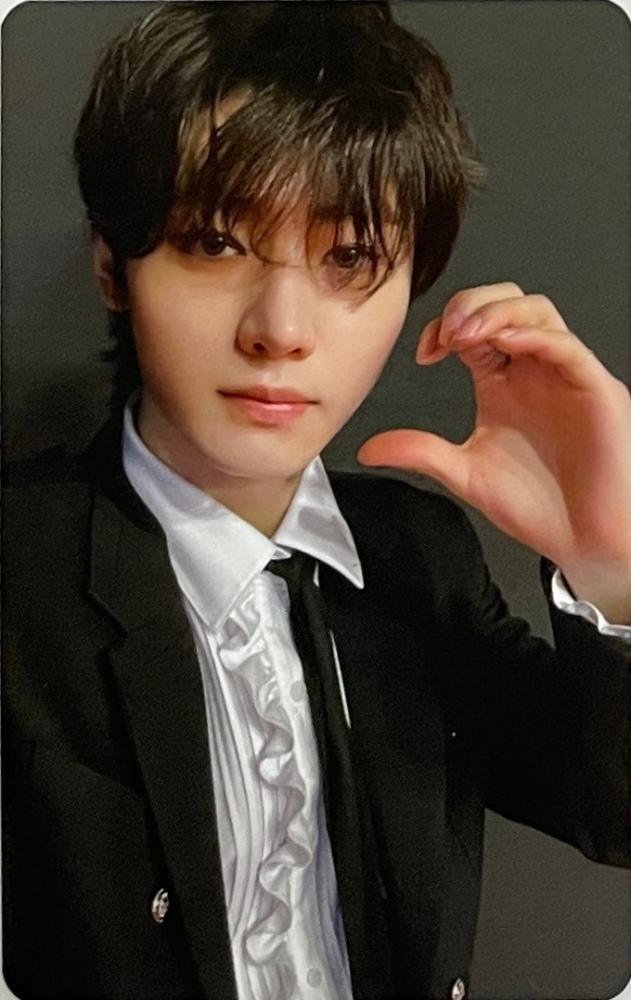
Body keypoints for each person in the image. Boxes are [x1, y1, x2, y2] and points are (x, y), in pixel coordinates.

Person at [2, 3, 630, 1000]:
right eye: (214, 242)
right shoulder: (20, 568)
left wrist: (610, 566)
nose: (281, 328)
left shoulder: (416, 557)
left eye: (348, 258)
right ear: (112, 263)